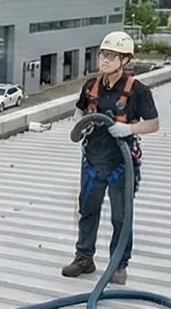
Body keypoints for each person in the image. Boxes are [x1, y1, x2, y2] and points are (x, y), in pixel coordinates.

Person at [61, 31, 159, 286]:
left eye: (112, 55)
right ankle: (84, 257)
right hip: (93, 160)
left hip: (121, 164)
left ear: (125, 59)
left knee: (121, 216)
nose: (105, 60)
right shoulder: (90, 85)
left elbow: (153, 124)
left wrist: (129, 129)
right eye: (103, 54)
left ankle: (119, 264)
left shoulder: (138, 90)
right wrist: (79, 123)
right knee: (87, 210)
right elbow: (80, 110)